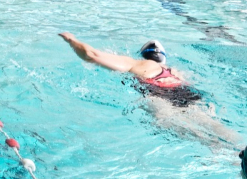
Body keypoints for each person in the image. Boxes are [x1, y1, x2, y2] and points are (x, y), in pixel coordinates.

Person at [58, 33, 236, 145]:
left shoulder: (138, 64)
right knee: (215, 126)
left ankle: (212, 145)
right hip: (189, 95)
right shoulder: (175, 71)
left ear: (143, 55)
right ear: (163, 59)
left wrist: (72, 40)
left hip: (159, 96)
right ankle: (241, 150)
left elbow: (91, 55)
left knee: (169, 124)